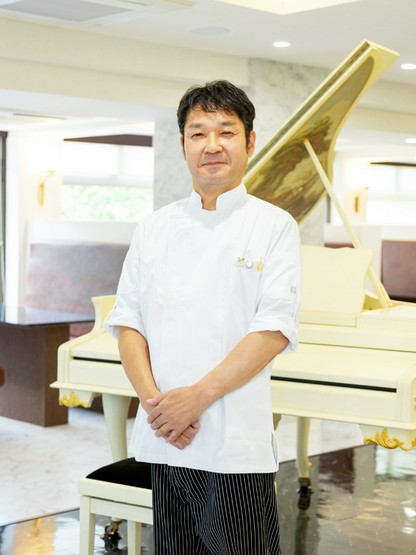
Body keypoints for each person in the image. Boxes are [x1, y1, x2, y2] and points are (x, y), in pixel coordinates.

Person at [105, 80, 301, 555]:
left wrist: (195, 400)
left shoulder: (274, 226)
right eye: (198, 133)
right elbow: (128, 322)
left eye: (226, 131)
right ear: (183, 145)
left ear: (250, 142)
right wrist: (158, 406)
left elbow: (273, 330)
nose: (212, 145)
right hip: (166, 439)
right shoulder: (154, 227)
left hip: (234, 447)